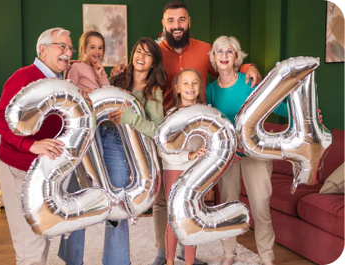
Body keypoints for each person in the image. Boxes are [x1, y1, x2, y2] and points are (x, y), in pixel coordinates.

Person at [112, 3, 263, 264]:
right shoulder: (155, 52)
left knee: (192, 195)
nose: (176, 25)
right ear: (163, 23)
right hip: (163, 131)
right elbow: (138, 71)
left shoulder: (205, 50)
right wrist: (119, 70)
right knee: (163, 199)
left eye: (181, 19)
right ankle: (164, 253)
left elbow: (224, 66)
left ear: (189, 21)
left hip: (196, 132)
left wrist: (246, 66)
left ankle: (186, 251)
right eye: (171, 20)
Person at [58, 37, 166, 265]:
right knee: (76, 201)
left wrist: (132, 119)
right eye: (138, 51)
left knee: (117, 207)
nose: (141, 57)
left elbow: (157, 129)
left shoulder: (153, 91)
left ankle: (116, 262)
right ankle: (71, 259)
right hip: (92, 140)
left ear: (154, 63)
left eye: (147, 54)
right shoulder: (117, 79)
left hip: (120, 149)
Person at [0, 27, 74, 265]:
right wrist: (30, 145)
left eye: (70, 48)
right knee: (29, 246)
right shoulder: (23, 77)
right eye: (62, 46)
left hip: (45, 173)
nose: (68, 52)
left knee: (41, 234)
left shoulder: (60, 82)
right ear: (42, 49)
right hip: (20, 170)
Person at [206, 35, 288, 265]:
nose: (224, 56)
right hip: (228, 156)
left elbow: (274, 103)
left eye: (229, 51)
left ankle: (266, 256)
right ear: (213, 57)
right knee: (228, 205)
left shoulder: (249, 81)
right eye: (219, 52)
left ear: (236, 57)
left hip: (256, 153)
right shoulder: (210, 90)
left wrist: (301, 115)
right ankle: (229, 254)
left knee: (260, 206)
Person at [57, 30, 111, 265]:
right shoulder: (76, 68)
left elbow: (109, 97)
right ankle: (71, 256)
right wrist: (91, 92)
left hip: (100, 132)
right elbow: (70, 95)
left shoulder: (100, 71)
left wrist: (101, 75)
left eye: (100, 48)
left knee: (90, 190)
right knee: (75, 192)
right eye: (93, 47)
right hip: (82, 134)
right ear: (84, 49)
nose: (97, 52)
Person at [157, 69, 207, 265]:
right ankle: (169, 261)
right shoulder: (170, 116)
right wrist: (188, 155)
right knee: (174, 217)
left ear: (200, 88)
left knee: (192, 216)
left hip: (197, 171)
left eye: (194, 83)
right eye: (185, 83)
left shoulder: (206, 114)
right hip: (174, 170)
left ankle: (189, 262)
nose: (190, 87)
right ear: (177, 88)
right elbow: (163, 148)